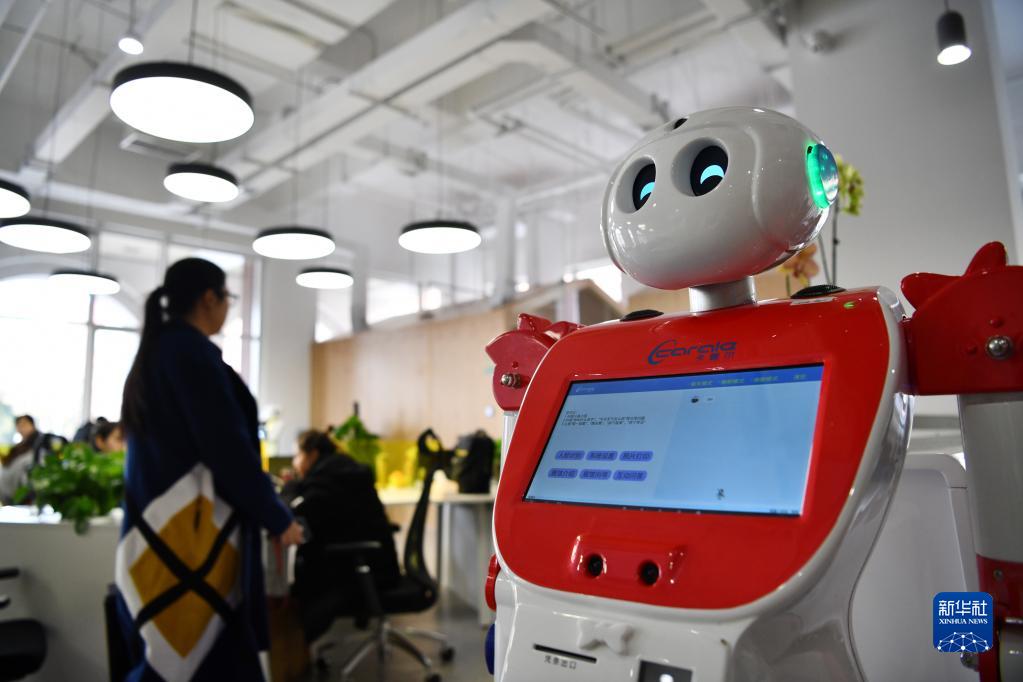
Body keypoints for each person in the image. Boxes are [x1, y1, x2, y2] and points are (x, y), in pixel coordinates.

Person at [114, 258, 303, 682]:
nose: (228, 308)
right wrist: (277, 517)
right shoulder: (189, 354)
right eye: (227, 298)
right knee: (194, 661)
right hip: (191, 538)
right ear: (208, 298)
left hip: (166, 529)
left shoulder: (161, 351)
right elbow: (228, 450)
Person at [283, 429, 401, 643]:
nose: (294, 462)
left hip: (360, 570)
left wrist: (290, 488)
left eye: (297, 455)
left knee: (306, 592)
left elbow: (302, 510)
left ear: (313, 454)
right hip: (376, 564)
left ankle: (294, 645)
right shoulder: (340, 469)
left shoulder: (330, 478)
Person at [0, 415, 62, 504]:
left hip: (26, 498)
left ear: (32, 425)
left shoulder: (41, 443)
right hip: (10, 497)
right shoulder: (19, 447)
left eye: (24, 424)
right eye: (19, 425)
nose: (22, 428)